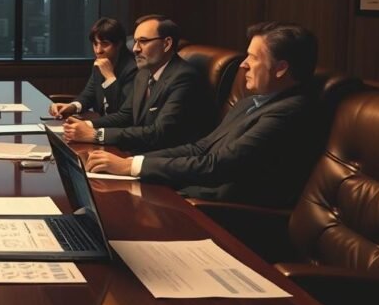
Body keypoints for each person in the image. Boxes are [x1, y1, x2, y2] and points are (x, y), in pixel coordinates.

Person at [86, 22, 319, 208]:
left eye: (253, 58)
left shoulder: (290, 112)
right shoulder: (250, 102)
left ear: (281, 68)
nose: (243, 65)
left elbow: (217, 166)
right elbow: (200, 148)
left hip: (220, 211)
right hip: (190, 191)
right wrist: (133, 162)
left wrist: (133, 167)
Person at [62, 14, 214, 153]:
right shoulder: (144, 73)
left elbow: (159, 133)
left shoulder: (183, 77)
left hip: (166, 161)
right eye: (135, 42)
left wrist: (97, 135)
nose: (135, 49)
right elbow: (125, 116)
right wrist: (86, 126)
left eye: (143, 41)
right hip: (139, 150)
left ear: (166, 44)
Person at [48, 17, 138, 118]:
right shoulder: (99, 64)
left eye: (105, 44)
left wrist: (110, 77)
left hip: (114, 130)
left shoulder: (132, 69)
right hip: (100, 125)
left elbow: (122, 112)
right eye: (95, 44)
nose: (98, 50)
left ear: (119, 44)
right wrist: (72, 107)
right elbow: (88, 95)